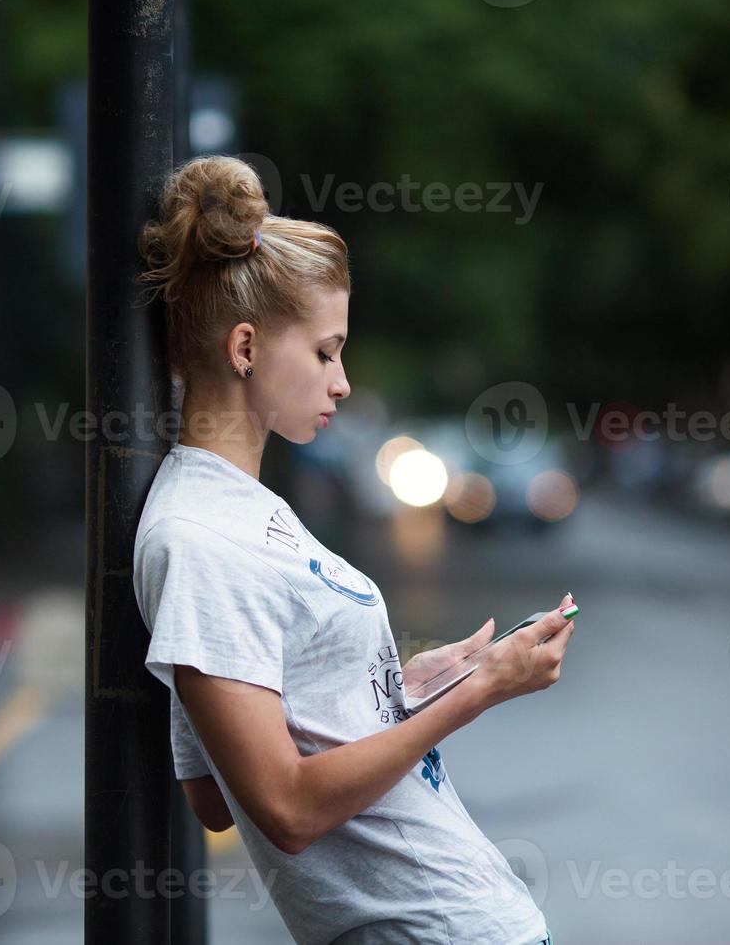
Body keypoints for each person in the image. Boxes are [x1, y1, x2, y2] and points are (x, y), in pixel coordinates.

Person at [131, 155, 573, 944]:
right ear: (244, 348)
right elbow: (286, 808)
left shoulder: (241, 511)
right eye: (327, 352)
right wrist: (484, 692)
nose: (341, 382)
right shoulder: (198, 537)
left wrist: (406, 687)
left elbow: (213, 786)